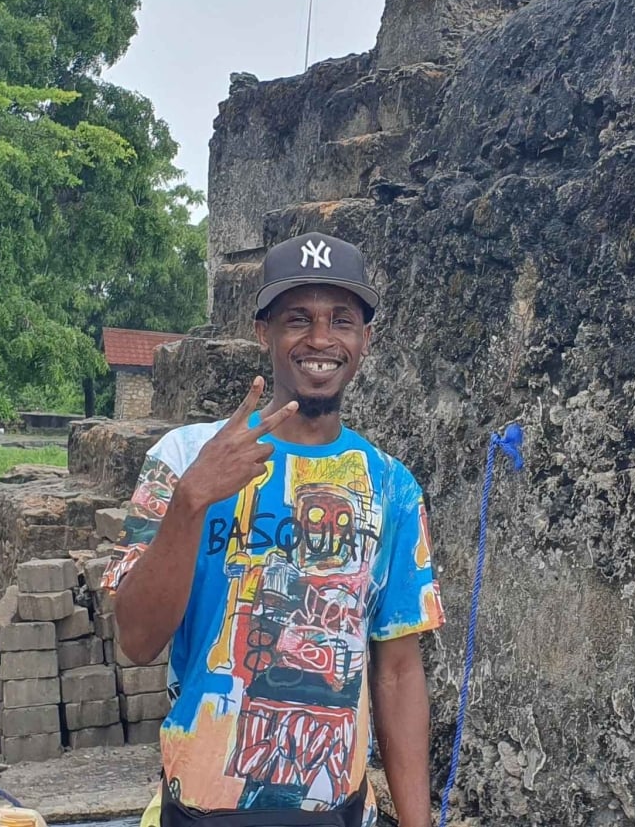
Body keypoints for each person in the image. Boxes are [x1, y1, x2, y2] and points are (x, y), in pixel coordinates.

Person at [104, 231, 444, 827]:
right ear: (264, 332)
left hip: (336, 810)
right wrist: (190, 502)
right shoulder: (182, 458)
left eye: (341, 320)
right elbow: (136, 641)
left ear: (365, 340)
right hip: (203, 807)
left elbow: (397, 671)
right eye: (298, 319)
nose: (321, 339)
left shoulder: (391, 485)